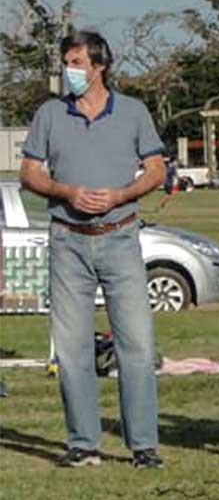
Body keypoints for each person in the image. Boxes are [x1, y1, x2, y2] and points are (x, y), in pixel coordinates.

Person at [19, 30, 167, 469]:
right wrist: (65, 190)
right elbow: (29, 172)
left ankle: (143, 446)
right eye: (67, 62)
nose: (71, 70)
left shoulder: (134, 112)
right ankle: (82, 442)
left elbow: (156, 169)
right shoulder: (49, 114)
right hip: (67, 240)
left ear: (100, 66)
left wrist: (120, 195)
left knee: (136, 344)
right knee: (71, 347)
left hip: (120, 237)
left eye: (78, 62)